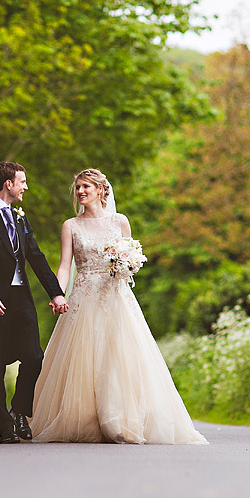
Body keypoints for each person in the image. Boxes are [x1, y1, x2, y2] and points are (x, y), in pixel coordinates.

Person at [30, 168, 208, 444]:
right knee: (84, 360)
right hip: (84, 297)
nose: (80, 192)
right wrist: (58, 294)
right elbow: (65, 265)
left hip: (117, 297)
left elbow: (131, 258)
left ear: (101, 190)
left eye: (86, 186)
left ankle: (119, 420)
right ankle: (85, 420)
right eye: (77, 187)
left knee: (119, 358)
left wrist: (126, 265)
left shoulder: (120, 221)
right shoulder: (71, 226)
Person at [0, 161, 69, 444]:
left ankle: (20, 411)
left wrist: (55, 292)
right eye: (22, 182)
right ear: (8, 184)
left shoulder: (20, 217)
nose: (26, 187)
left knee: (34, 357)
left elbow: (36, 256)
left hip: (21, 299)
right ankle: (5, 428)